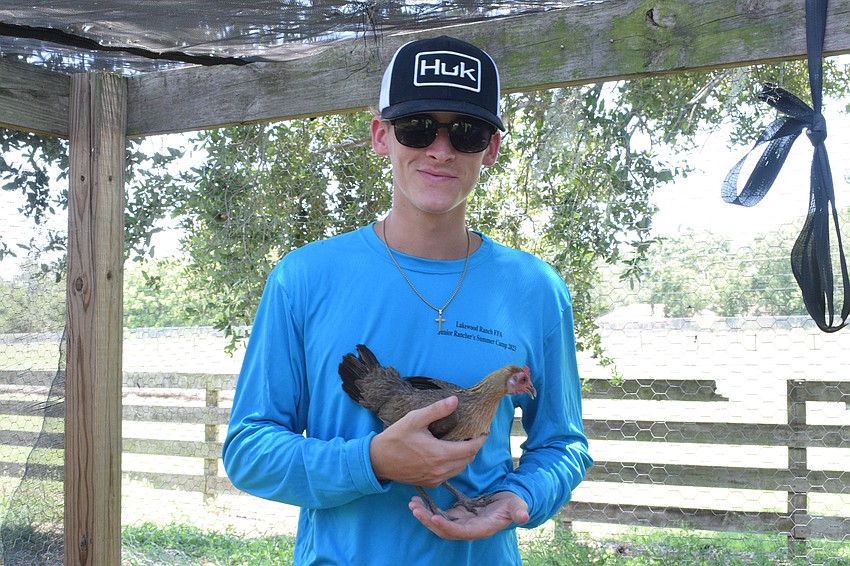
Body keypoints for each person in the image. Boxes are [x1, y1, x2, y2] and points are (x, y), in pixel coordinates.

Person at [222, 35, 592, 565]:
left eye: (466, 132)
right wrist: (372, 461)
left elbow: (563, 443)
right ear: (381, 136)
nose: (440, 150)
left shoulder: (534, 288)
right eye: (417, 127)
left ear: (491, 148)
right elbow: (248, 451)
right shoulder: (303, 277)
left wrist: (516, 498)